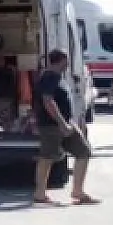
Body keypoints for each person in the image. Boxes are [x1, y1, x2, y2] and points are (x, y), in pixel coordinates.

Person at [34, 49, 98, 207]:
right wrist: (62, 123)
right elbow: (48, 101)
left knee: (83, 151)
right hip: (52, 126)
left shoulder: (57, 77)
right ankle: (40, 194)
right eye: (67, 60)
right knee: (47, 157)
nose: (68, 63)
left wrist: (69, 123)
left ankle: (78, 191)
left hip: (65, 123)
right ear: (62, 60)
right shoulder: (49, 77)